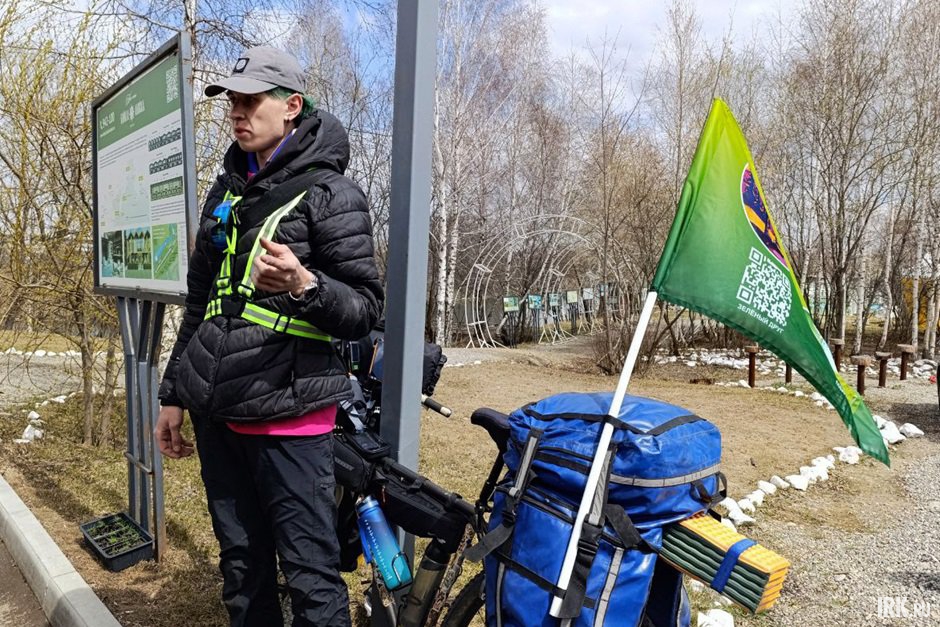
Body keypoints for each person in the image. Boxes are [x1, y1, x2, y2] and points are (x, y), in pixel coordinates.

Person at [155, 46, 383, 627]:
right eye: (232, 100)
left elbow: (365, 311)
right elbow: (201, 302)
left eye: (251, 100)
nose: (237, 112)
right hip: (218, 413)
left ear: (291, 108)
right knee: (241, 570)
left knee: (310, 577)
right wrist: (173, 394)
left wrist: (308, 286)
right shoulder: (227, 190)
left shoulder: (334, 194)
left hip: (290, 418)